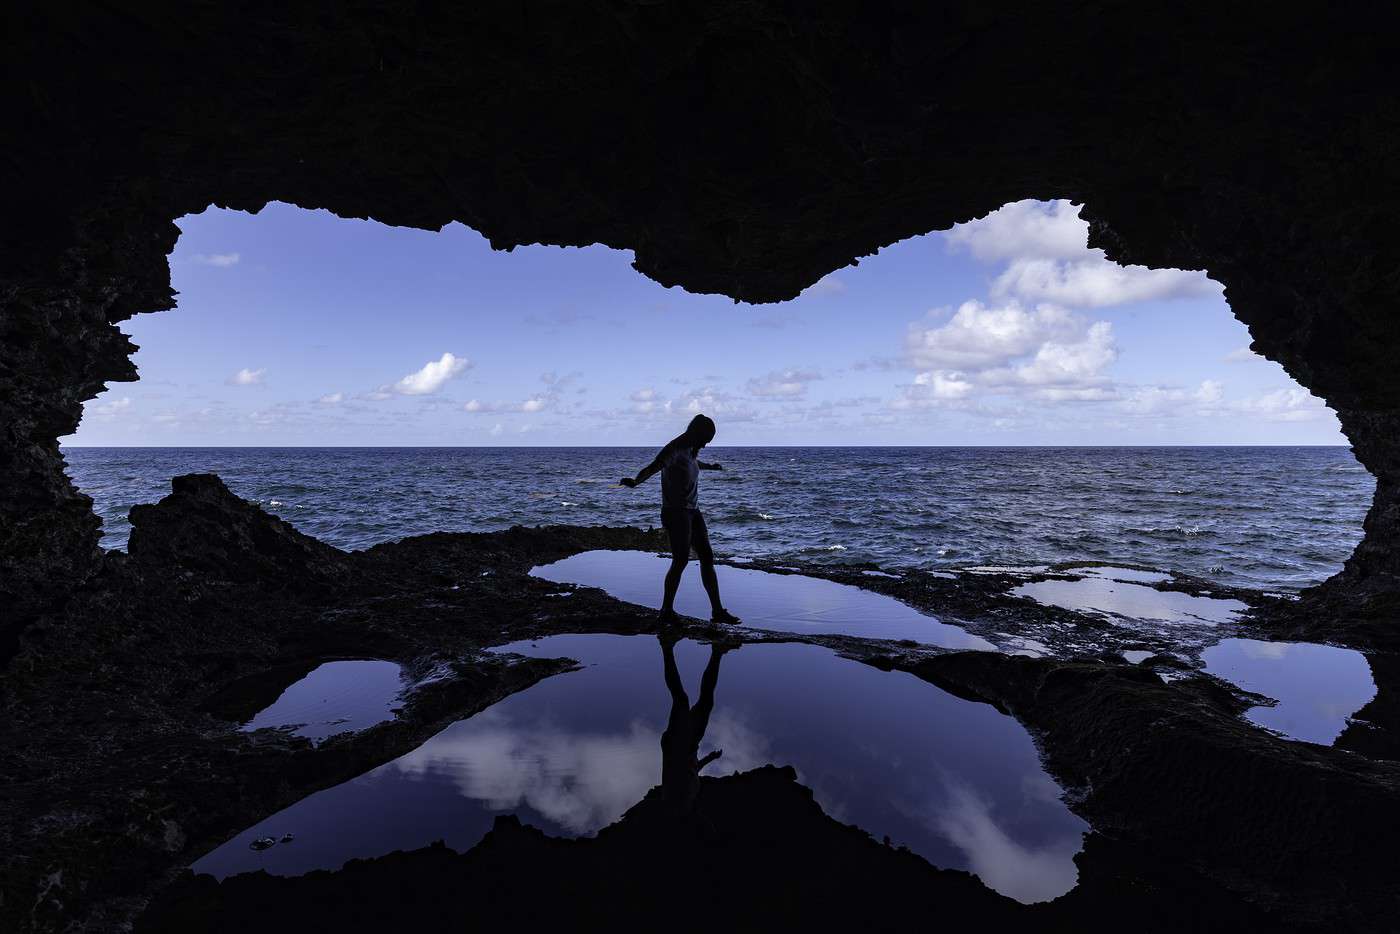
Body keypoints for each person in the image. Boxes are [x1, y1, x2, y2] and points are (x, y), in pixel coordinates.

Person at [620, 413, 740, 626]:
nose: (705, 445)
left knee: (707, 557)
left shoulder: (690, 451)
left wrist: (710, 466)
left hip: (693, 511)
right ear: (697, 433)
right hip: (676, 512)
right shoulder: (673, 448)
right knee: (681, 559)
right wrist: (635, 482)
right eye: (705, 440)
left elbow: (692, 463)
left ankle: (717, 611)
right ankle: (666, 610)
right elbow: (654, 467)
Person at [657, 632, 736, 814]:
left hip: (678, 747)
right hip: (690, 745)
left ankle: (666, 647)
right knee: (705, 701)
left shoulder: (677, 801)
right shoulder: (690, 794)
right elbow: (693, 769)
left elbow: (679, 772)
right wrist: (710, 758)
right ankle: (717, 652)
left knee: (681, 699)